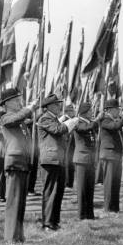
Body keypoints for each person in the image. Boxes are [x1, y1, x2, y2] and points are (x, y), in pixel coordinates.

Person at [37, 94, 79, 231]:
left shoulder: (54, 119)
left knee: (58, 192)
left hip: (59, 159)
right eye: (55, 104)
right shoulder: (44, 118)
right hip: (49, 160)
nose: (58, 107)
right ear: (48, 106)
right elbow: (58, 130)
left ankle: (54, 221)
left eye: (58, 104)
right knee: (50, 192)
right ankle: (47, 222)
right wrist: (71, 123)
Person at [0, 88, 33, 243]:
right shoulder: (6, 117)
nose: (20, 102)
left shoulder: (20, 120)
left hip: (23, 161)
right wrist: (29, 108)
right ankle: (11, 236)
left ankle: (18, 235)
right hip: (15, 160)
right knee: (14, 201)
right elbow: (15, 119)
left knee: (20, 202)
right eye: (17, 100)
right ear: (8, 103)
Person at [98, 98, 123, 214]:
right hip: (109, 155)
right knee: (109, 183)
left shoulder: (115, 120)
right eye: (116, 109)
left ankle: (115, 208)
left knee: (116, 182)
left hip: (116, 155)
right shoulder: (104, 120)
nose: (118, 112)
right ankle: (108, 208)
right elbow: (115, 127)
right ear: (109, 110)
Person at [72, 102, 98, 219]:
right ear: (85, 112)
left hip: (90, 159)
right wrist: (98, 119)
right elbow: (85, 128)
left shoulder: (89, 123)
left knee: (90, 188)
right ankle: (82, 214)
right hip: (81, 159)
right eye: (90, 111)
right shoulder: (78, 122)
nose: (92, 113)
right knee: (82, 189)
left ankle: (90, 214)